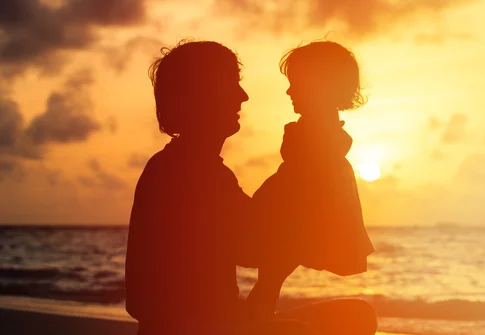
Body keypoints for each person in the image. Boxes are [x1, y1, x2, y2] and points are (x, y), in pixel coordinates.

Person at [125, 40, 377, 335]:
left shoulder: (187, 169)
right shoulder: (190, 174)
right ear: (202, 96)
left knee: (357, 315)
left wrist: (309, 161)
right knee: (351, 322)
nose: (243, 96)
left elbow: (256, 235)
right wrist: (306, 163)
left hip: (220, 324)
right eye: (232, 85)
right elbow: (256, 247)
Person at [246, 41, 375, 317]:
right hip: (291, 201)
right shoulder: (319, 138)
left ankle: (251, 323)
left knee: (270, 278)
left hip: (293, 205)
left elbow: (301, 190)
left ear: (320, 86)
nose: (289, 91)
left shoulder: (317, 143)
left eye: (297, 83)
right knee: (270, 279)